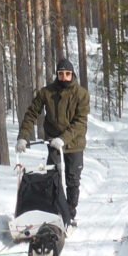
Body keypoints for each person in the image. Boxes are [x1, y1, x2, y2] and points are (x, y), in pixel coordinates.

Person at [17, 57, 89, 225]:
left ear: (72, 75)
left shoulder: (81, 94)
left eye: (67, 74)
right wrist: (23, 137)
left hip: (74, 143)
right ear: (57, 74)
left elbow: (80, 122)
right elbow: (31, 114)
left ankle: (69, 213)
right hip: (53, 144)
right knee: (53, 177)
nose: (64, 77)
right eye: (61, 74)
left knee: (72, 179)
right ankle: (55, 210)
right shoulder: (46, 92)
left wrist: (63, 139)